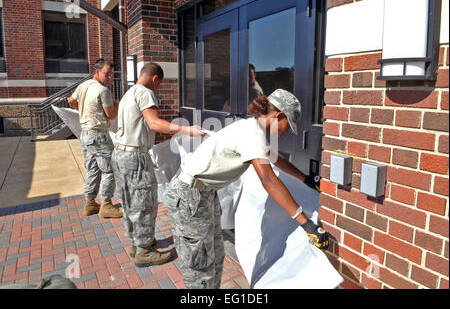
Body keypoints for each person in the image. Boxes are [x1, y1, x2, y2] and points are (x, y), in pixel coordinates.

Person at [165, 89, 329, 289]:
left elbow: (274, 157)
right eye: (288, 125)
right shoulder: (252, 133)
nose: (287, 132)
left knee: (215, 257)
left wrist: (306, 179)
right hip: (189, 196)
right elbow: (268, 180)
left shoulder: (252, 128)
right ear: (279, 116)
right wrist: (307, 225)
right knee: (200, 269)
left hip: (204, 195)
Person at [111, 62, 206, 268]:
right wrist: (187, 130)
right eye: (160, 85)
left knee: (129, 200)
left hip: (121, 154)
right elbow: (154, 123)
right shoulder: (145, 92)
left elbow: (134, 127)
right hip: (134, 156)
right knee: (144, 202)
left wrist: (145, 152)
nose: (158, 89)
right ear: (155, 79)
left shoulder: (128, 94)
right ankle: (144, 251)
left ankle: (137, 243)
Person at [68, 58, 122, 218]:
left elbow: (71, 101)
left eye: (111, 74)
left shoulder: (83, 85)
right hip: (99, 137)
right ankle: (106, 205)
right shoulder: (103, 91)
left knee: (93, 169)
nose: (109, 77)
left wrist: (83, 110)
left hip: (86, 135)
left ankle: (90, 203)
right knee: (110, 168)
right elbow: (111, 115)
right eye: (107, 74)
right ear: (97, 72)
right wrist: (117, 105)